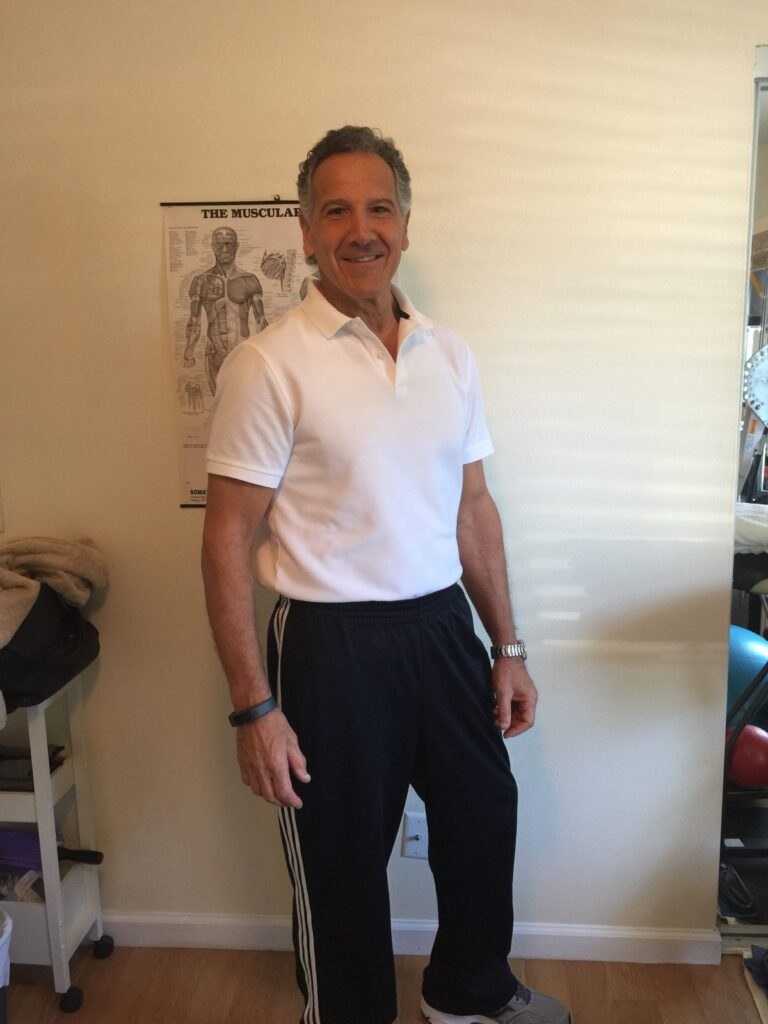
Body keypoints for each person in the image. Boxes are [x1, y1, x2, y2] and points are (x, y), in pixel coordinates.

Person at [201, 126, 570, 1024]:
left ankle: (467, 989)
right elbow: (225, 540)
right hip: (329, 643)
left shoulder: (450, 354)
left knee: (483, 813)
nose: (360, 229)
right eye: (337, 211)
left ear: (406, 223)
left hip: (442, 626)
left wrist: (507, 647)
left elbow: (472, 508)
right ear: (306, 230)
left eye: (379, 208)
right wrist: (254, 710)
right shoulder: (267, 363)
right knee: (340, 861)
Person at [184, 226, 268, 395]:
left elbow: (261, 321)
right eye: (220, 244)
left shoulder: (249, 280)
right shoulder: (201, 281)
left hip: (243, 352)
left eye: (229, 244)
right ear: (212, 246)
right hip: (214, 354)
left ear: (236, 246)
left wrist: (266, 354)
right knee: (220, 403)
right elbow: (194, 320)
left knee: (246, 400)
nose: (224, 249)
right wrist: (189, 350)